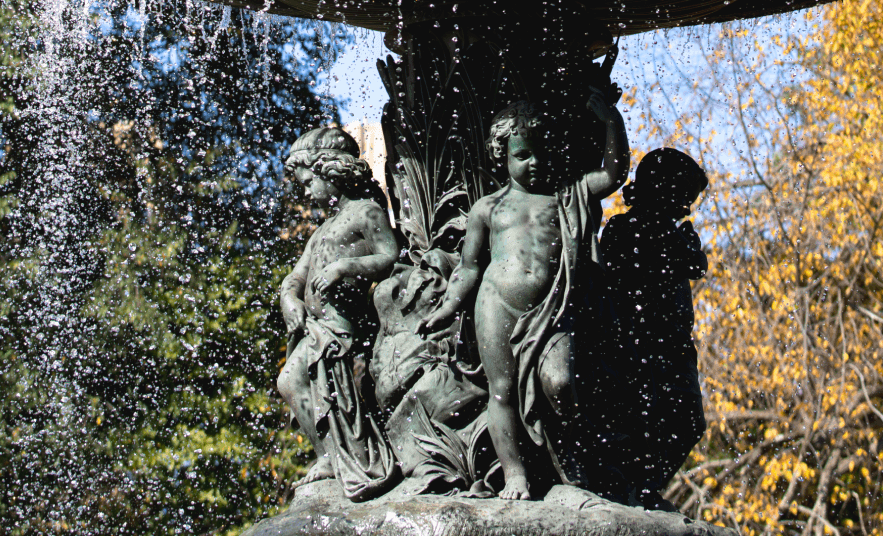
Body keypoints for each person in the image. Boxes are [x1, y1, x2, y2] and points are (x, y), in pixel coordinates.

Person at [419, 91, 627, 499]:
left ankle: (572, 467)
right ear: (503, 155)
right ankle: (515, 475)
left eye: (543, 152)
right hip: (497, 305)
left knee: (561, 381)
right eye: (523, 155)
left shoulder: (569, 196)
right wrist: (447, 308)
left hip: (553, 309)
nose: (535, 163)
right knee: (502, 389)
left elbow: (613, 174)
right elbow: (470, 267)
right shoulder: (488, 208)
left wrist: (610, 121)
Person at [277, 126, 401, 500]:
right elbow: (295, 276)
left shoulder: (367, 212)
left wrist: (345, 267)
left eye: (310, 181)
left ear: (332, 171)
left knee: (295, 381)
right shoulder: (322, 229)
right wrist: (290, 299)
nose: (307, 192)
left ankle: (339, 455)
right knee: (289, 382)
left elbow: (390, 256)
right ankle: (328, 455)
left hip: (344, 327)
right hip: (316, 326)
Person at [599, 147, 709, 505]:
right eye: (683, 199)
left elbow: (695, 265)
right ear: (662, 190)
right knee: (639, 416)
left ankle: (645, 485)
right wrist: (686, 246)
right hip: (637, 341)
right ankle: (634, 486)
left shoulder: (667, 232)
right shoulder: (626, 227)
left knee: (689, 419)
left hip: (674, 344)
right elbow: (691, 263)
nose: (687, 208)